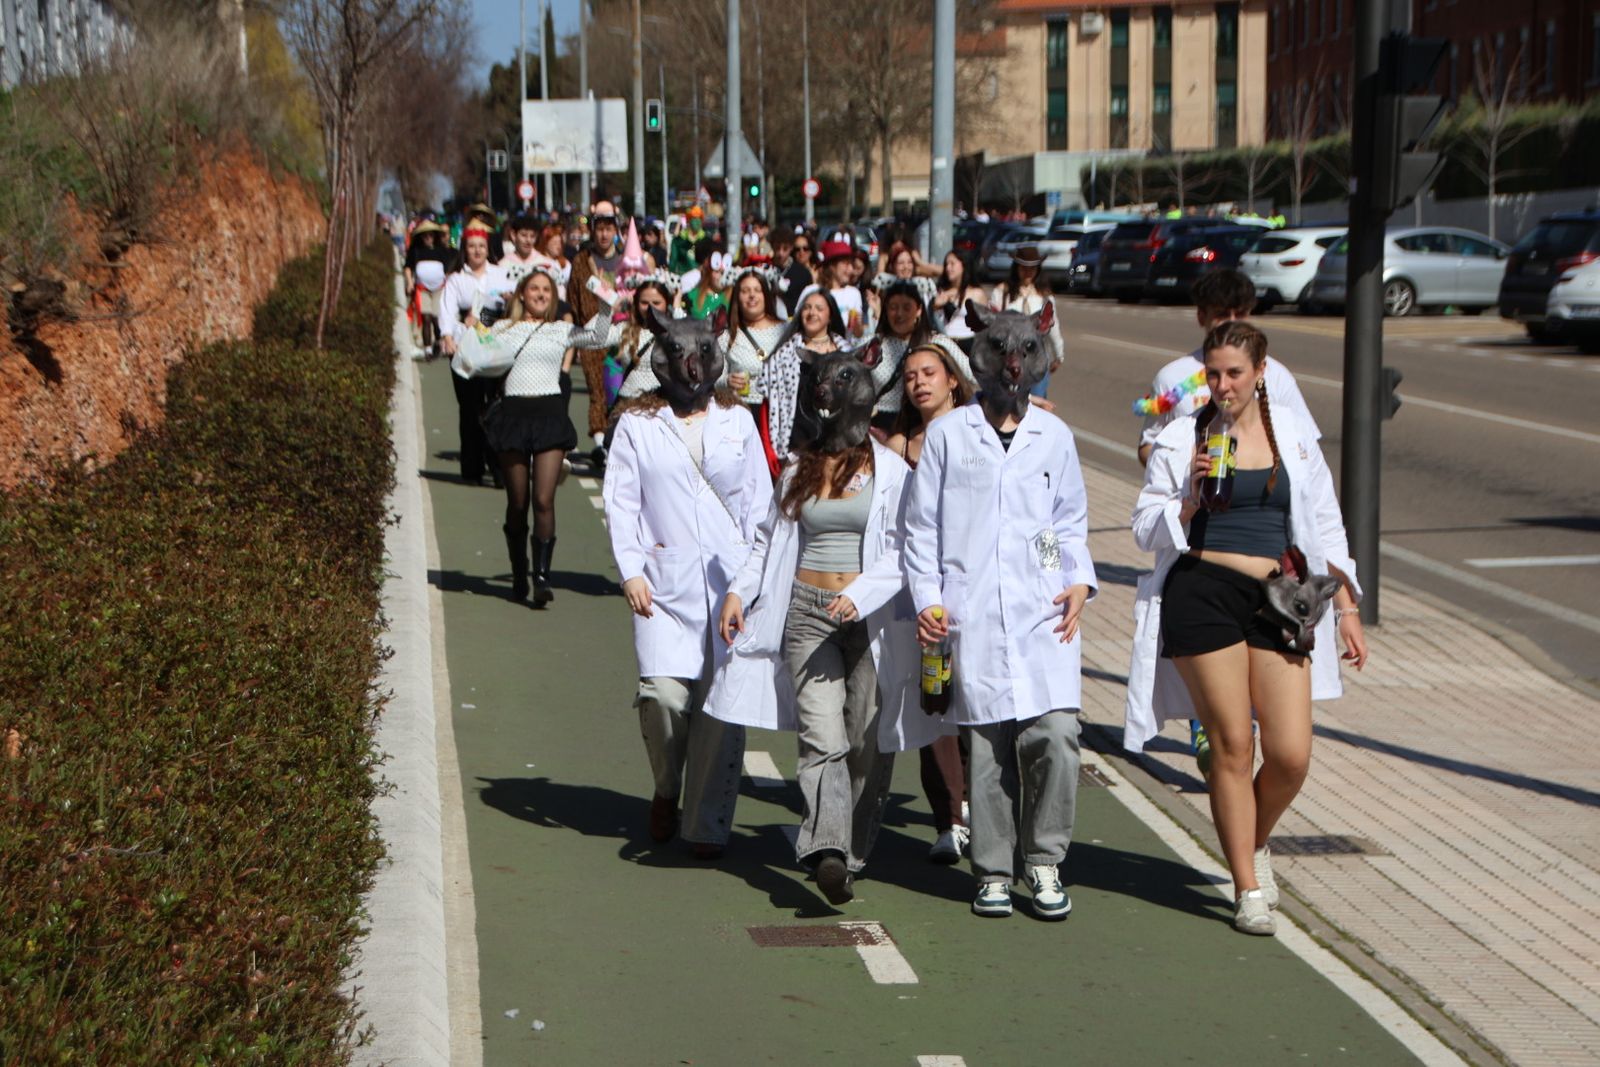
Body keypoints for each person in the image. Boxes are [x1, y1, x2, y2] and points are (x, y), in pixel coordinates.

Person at [1126, 320, 1368, 936]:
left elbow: (1324, 520)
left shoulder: (1289, 432)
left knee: (1290, 753)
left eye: (1234, 373)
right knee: (1233, 747)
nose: (1223, 384)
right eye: (1213, 373)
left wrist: (1347, 606)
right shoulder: (1184, 436)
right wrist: (1187, 498)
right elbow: (1143, 524)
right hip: (1201, 592)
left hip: (1279, 598)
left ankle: (1249, 838)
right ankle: (1247, 886)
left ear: (1261, 373)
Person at [710, 352, 946, 904]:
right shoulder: (799, 466)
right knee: (823, 739)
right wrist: (740, 591)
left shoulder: (891, 471)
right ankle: (829, 851)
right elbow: (767, 539)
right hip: (807, 614)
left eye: (841, 381)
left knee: (865, 740)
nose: (828, 391)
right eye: (822, 382)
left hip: (870, 618)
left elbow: (908, 550)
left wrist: (858, 596)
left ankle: (853, 846)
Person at [903, 302, 1097, 921]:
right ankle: (991, 869)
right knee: (985, 748)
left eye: (1024, 356)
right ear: (979, 359)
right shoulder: (948, 436)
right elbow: (920, 528)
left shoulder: (1054, 436)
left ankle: (1042, 860)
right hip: (974, 613)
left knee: (1057, 736)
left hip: (1044, 612)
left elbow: (1067, 521)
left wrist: (1078, 583)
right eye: (1001, 355)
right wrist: (929, 601)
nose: (1013, 367)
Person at [603, 315, 773, 859]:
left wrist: (750, 584)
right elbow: (621, 502)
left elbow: (759, 508)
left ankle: (706, 825)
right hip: (662, 583)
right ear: (664, 358)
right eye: (679, 354)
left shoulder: (737, 421)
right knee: (663, 696)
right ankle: (666, 787)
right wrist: (630, 569)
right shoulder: (637, 423)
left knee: (720, 707)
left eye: (701, 353)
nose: (691, 364)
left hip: (731, 586)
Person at [884, 343, 974, 863]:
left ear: (953, 380)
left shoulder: (979, 435)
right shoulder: (899, 447)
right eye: (911, 375)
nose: (920, 382)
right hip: (923, 598)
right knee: (934, 704)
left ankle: (983, 809)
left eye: (930, 373)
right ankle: (949, 819)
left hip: (975, 592)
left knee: (976, 709)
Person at [481, 266, 619, 604]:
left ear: (553, 298)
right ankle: (519, 570)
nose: (541, 294)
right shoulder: (503, 328)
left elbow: (600, 335)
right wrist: (471, 328)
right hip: (513, 414)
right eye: (534, 289)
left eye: (546, 290)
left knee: (543, 499)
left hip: (549, 415)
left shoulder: (562, 330)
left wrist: (605, 300)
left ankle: (541, 577)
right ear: (522, 295)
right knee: (518, 502)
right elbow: (479, 355)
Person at [1135, 269, 1319, 467]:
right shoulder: (1171, 377)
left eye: (1240, 313)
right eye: (1222, 315)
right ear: (1201, 317)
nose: (1232, 322)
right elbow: (1148, 446)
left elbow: (1307, 442)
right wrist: (1186, 467)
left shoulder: (1276, 374)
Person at [439, 224, 513, 485]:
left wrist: (507, 299)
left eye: (481, 246)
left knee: (496, 407)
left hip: (495, 350)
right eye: (471, 246)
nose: (477, 251)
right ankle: (472, 466)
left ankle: (499, 468)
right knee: (469, 409)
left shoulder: (501, 275)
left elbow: (513, 304)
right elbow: (447, 311)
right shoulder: (457, 279)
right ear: (465, 249)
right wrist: (447, 336)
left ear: (488, 249)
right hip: (465, 350)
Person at [758, 287, 848, 476]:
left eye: (818, 308)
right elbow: (768, 409)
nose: (812, 313)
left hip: (838, 446)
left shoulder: (847, 356)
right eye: (807, 307)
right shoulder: (782, 357)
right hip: (796, 444)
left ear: (831, 316)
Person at [862, 280, 971, 433]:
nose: (899, 314)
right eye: (893, 308)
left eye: (907, 308)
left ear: (919, 309)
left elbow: (972, 374)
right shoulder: (871, 345)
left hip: (925, 426)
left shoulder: (937, 343)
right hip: (879, 428)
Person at [569, 203, 626, 460]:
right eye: (599, 229)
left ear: (616, 230)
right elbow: (573, 296)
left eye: (608, 229)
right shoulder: (582, 260)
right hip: (592, 330)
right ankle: (600, 443)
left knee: (621, 387)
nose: (604, 235)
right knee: (596, 387)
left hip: (623, 331)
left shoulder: (626, 259)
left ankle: (619, 439)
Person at [989, 246, 1064, 399]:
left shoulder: (1044, 296)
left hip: (1037, 358)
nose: (1028, 272)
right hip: (1009, 358)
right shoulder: (1002, 293)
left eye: (1032, 268)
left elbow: (1053, 327)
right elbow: (992, 326)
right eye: (1024, 268)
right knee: (1009, 399)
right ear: (1016, 268)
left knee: (1037, 400)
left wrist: (1058, 355)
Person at [719, 265, 788, 408]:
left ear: (766, 295)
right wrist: (727, 381)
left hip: (777, 410)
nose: (752, 295)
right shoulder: (727, 335)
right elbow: (713, 377)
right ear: (737, 296)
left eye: (757, 290)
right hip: (740, 409)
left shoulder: (785, 330)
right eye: (745, 291)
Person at [404, 220, 457, 355]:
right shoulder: (416, 251)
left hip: (439, 289)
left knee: (436, 318)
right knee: (426, 318)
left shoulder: (442, 251)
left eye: (431, 235)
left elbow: (449, 269)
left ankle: (439, 342)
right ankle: (427, 348)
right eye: (425, 236)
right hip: (422, 289)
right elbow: (408, 268)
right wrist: (410, 283)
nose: (428, 238)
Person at [930, 250, 986, 353]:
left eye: (952, 264)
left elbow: (984, 325)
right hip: (944, 343)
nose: (948, 268)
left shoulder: (976, 293)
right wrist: (934, 306)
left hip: (968, 343)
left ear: (964, 265)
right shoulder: (939, 292)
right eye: (946, 264)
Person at [818, 238, 870, 344]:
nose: (850, 270)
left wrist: (858, 326)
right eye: (846, 264)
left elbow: (857, 334)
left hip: (845, 352)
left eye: (851, 265)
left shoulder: (853, 294)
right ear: (832, 266)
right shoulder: (816, 293)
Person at [683, 245, 730, 321]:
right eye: (717, 272)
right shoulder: (691, 297)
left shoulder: (734, 299)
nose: (722, 276)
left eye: (724, 272)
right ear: (709, 272)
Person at [778, 233, 817, 307]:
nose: (801, 252)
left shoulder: (819, 271)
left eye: (805, 248)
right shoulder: (785, 271)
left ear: (811, 251)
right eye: (797, 249)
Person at [670, 206, 708, 274]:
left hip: (701, 278)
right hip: (683, 276)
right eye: (694, 218)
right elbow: (673, 261)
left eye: (699, 218)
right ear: (689, 220)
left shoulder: (706, 239)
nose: (697, 221)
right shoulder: (679, 240)